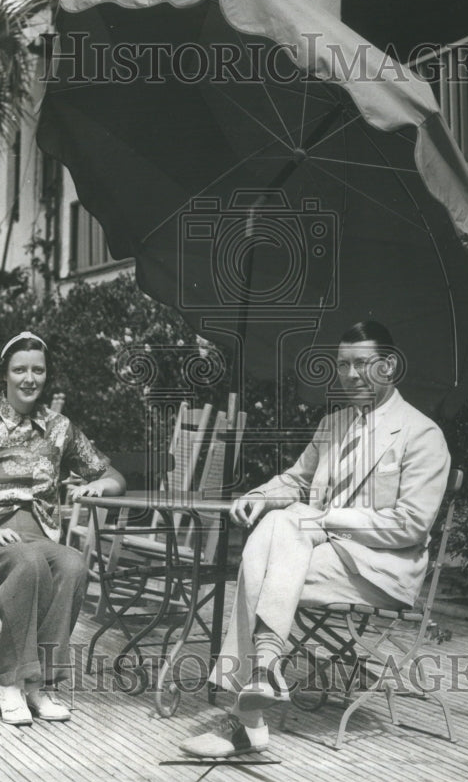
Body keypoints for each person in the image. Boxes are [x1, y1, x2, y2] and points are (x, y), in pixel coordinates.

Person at [180, 320, 451, 758]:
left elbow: (411, 526)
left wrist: (327, 519)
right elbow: (296, 479)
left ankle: (245, 711)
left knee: (267, 557)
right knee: (275, 524)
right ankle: (263, 673)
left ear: (390, 366)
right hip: (315, 552)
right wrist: (260, 495)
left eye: (363, 364)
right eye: (344, 364)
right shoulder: (333, 424)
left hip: (379, 567)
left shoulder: (421, 435)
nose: (351, 375)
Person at [0, 332, 126, 726]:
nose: (29, 378)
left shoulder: (58, 428)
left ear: (46, 375)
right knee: (29, 560)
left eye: (37, 370)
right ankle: (11, 683)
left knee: (73, 563)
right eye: (19, 369)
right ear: (4, 375)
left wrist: (98, 485)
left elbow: (112, 475)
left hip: (37, 537)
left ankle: (40, 686)